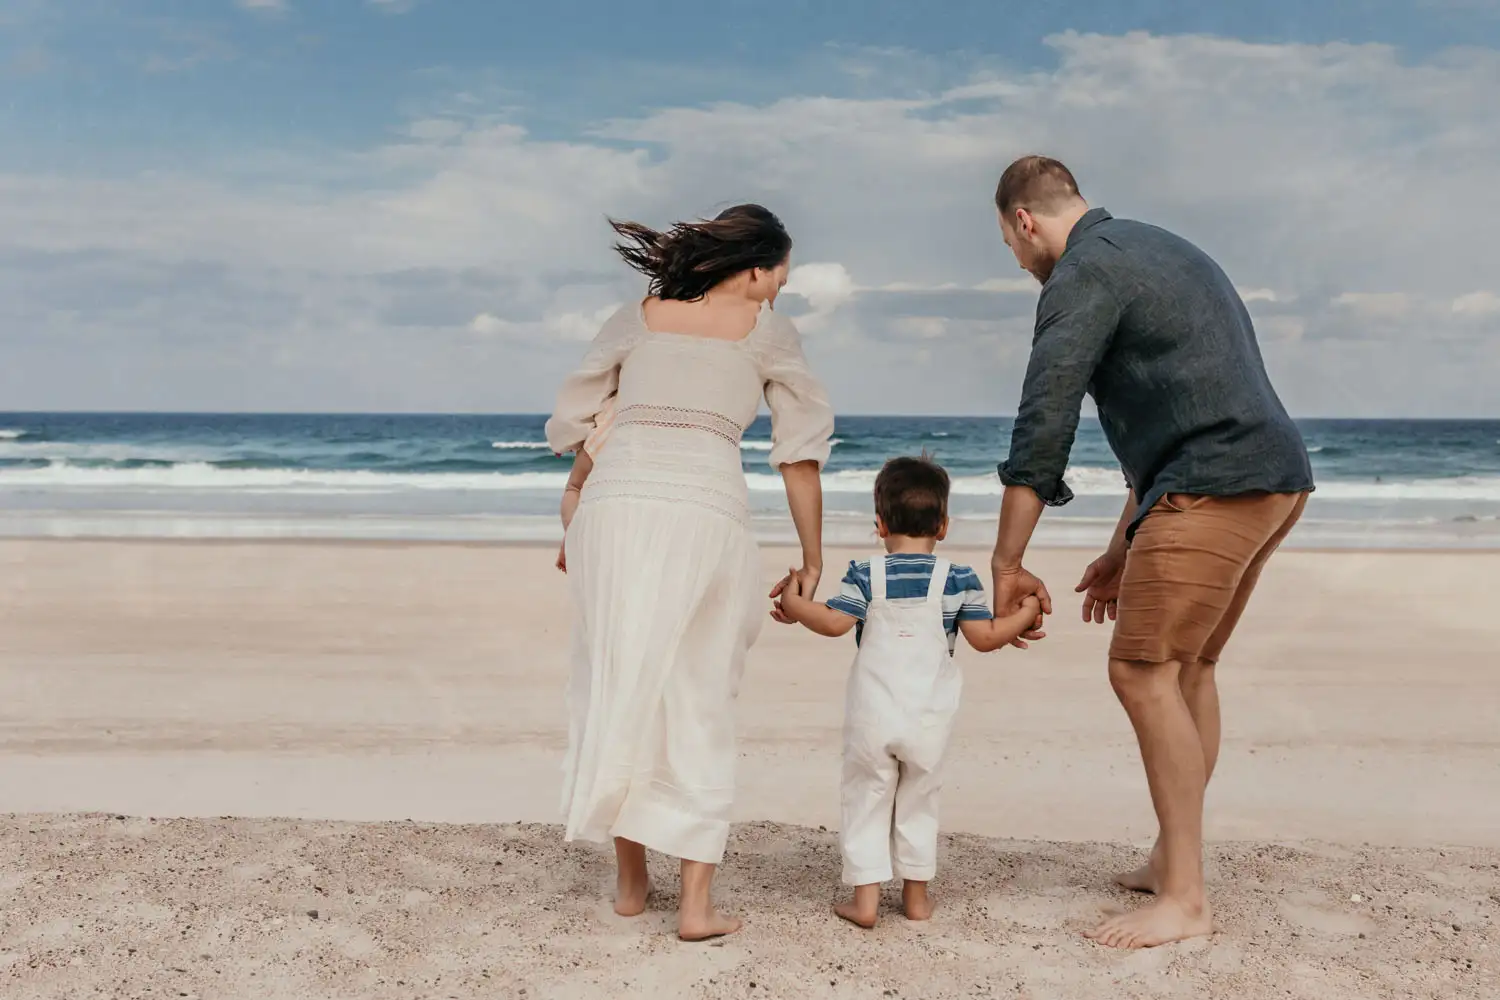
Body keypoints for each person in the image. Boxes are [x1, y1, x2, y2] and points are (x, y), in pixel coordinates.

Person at [988, 156, 1314, 949]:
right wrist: (1122, 547)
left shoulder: (1080, 276)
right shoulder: (1161, 247)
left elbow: (1045, 422)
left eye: (1008, 242)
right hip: (1269, 478)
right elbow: (1183, 401)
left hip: (1213, 483)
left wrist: (1006, 563)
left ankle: (1186, 899)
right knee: (1188, 669)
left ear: (1023, 221)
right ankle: (1174, 858)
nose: (1017, 257)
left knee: (1141, 670)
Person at [545, 204, 834, 941]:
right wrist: (812, 556)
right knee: (700, 692)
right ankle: (697, 906)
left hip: (615, 507)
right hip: (704, 509)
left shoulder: (640, 315)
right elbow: (799, 452)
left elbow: (576, 413)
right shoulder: (770, 333)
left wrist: (582, 493)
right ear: (758, 269)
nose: (778, 292)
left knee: (621, 680)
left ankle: (633, 885)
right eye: (780, 278)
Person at [774, 455, 1044, 929]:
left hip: (872, 713)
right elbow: (984, 638)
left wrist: (797, 605)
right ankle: (916, 899)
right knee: (921, 797)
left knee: (866, 796)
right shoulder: (959, 579)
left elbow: (836, 624)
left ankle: (865, 902)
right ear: (943, 525)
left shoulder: (864, 573)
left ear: (879, 524)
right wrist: (1024, 613)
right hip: (928, 716)